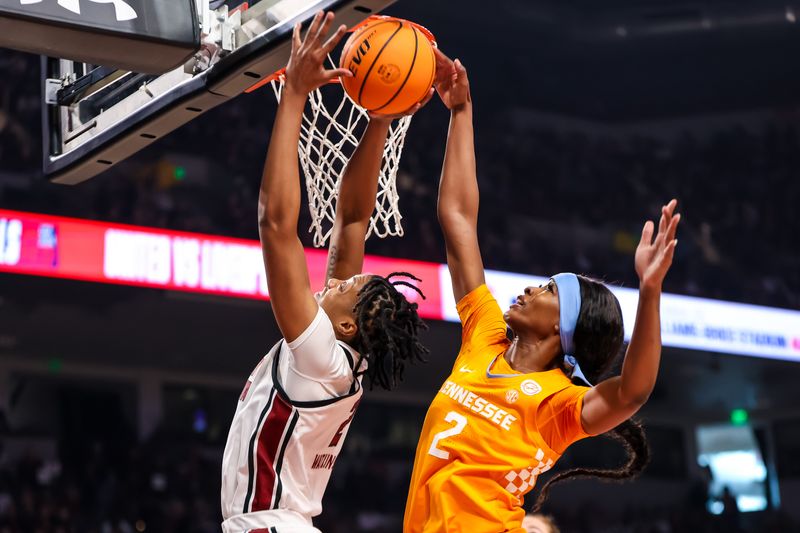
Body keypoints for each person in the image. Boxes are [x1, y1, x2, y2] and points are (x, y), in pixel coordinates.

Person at [403, 50, 681, 532]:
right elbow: (458, 222)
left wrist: (650, 291)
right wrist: (461, 112)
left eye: (550, 289)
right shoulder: (484, 336)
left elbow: (633, 391)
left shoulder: (558, 405)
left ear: (561, 325)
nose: (532, 288)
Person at [220, 12, 429, 533]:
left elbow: (275, 224)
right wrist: (380, 117)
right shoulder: (340, 358)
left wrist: (294, 96)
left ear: (348, 325)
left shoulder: (321, 356)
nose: (336, 281)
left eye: (347, 287)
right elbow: (353, 219)